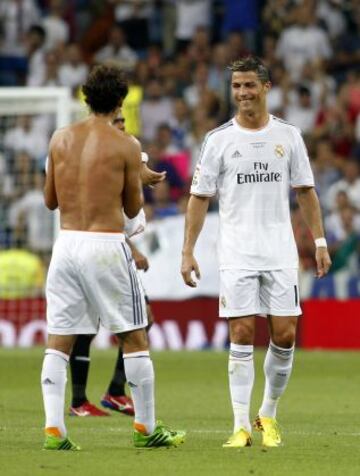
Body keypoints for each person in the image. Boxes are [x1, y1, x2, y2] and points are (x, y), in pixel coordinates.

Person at [181, 57, 331, 448]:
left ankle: (268, 413)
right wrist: (188, 251)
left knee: (284, 334)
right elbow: (198, 199)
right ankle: (241, 425)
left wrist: (319, 241)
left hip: (279, 252)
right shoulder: (218, 140)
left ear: (266, 88)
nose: (242, 93)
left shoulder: (289, 136)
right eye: (236, 86)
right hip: (237, 253)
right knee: (242, 332)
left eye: (249, 85)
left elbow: (305, 192)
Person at [41, 64, 185, 451]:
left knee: (59, 340)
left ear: (86, 98)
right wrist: (137, 178)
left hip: (66, 243)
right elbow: (133, 207)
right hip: (104, 244)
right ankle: (146, 428)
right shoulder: (127, 145)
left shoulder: (59, 138)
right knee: (135, 336)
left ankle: (54, 430)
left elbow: (50, 199)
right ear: (120, 102)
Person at [69, 111, 159, 418]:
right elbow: (101, 213)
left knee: (106, 325)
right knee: (131, 322)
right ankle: (91, 398)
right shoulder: (96, 157)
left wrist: (143, 172)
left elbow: (140, 169)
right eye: (117, 121)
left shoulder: (128, 148)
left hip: (109, 248)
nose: (122, 125)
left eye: (123, 121)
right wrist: (131, 248)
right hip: (103, 249)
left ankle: (108, 394)